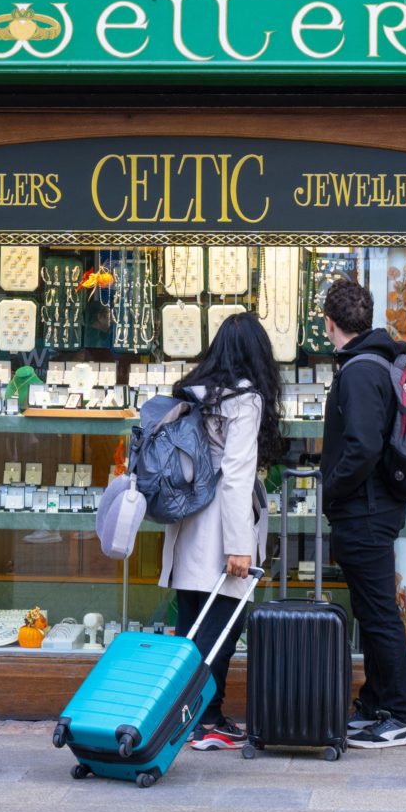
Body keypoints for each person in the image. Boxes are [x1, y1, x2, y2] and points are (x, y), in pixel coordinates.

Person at [159, 312, 281, 752]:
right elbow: (235, 474)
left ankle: (182, 715)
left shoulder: (193, 393)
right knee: (223, 627)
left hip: (188, 522)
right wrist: (240, 546)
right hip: (220, 528)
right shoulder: (244, 399)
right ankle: (206, 721)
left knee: (190, 624)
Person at [320, 277, 406, 749]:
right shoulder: (374, 362)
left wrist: (331, 491)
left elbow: (361, 447)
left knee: (378, 613)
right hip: (374, 507)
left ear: (329, 322)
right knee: (371, 608)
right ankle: (377, 702)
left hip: (365, 510)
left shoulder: (359, 371)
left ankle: (399, 713)